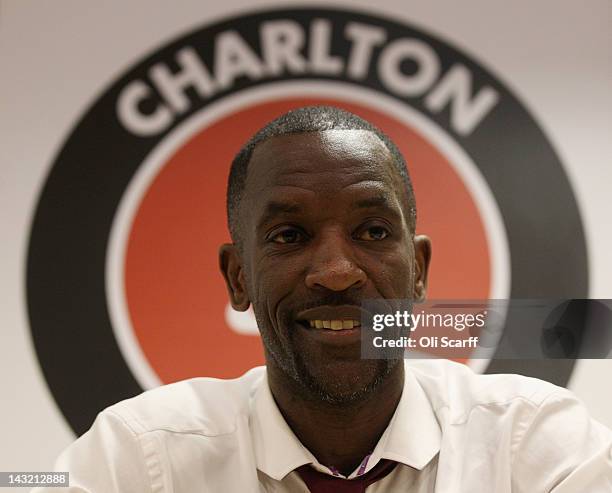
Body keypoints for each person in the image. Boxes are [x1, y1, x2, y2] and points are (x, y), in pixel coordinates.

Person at [35, 106, 612, 492]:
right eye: (290, 236)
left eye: (373, 233)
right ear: (238, 279)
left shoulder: (533, 442)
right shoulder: (136, 457)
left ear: (419, 271)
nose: (337, 273)